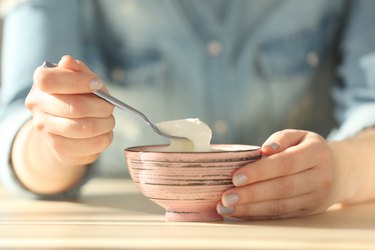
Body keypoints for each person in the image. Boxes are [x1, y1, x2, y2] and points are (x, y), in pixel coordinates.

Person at [1, 0, 375, 220]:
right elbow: (18, 127)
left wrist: (342, 169)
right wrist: (57, 139)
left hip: (302, 225)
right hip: (123, 223)